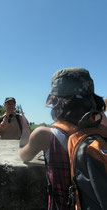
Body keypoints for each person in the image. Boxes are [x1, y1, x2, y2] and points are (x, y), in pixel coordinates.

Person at [20, 67, 107, 210]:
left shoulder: (44, 134)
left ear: (55, 101)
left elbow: (24, 155)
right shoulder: (102, 131)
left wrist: (25, 132)